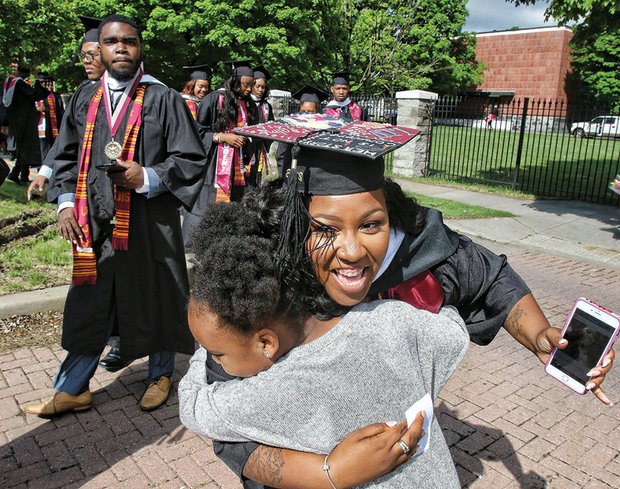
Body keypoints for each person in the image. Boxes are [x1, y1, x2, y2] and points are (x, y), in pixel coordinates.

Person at [204, 130, 615, 487]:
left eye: (371, 225)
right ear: (294, 225)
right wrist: (330, 473)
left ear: (390, 220)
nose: (351, 251)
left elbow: (489, 277)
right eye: (324, 229)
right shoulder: (261, 282)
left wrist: (539, 335)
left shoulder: (417, 257)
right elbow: (228, 423)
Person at [179, 201, 466, 488]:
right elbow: (453, 332)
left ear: (266, 343)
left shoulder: (271, 392)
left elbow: (192, 405)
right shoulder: (390, 319)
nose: (215, 363)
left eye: (217, 354)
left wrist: (199, 357)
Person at [22, 14, 206, 417]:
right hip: (94, 218)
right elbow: (65, 155)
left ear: (140, 48)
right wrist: (66, 202)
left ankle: (160, 375)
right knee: (90, 300)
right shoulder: (85, 99)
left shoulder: (164, 99)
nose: (121, 47)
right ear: (100, 50)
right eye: (112, 42)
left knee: (155, 292)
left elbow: (191, 158)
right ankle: (72, 388)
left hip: (148, 220)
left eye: (130, 41)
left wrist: (150, 175)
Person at [27, 15, 105, 201]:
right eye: (83, 56)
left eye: (93, 55)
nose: (86, 61)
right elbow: (67, 136)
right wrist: (45, 172)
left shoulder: (131, 93)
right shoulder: (84, 90)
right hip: (82, 182)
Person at [182, 60, 257, 249]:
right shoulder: (214, 99)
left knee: (238, 201)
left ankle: (229, 245)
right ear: (234, 81)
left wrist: (246, 139)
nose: (249, 89)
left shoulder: (248, 105)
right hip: (215, 162)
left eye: (251, 84)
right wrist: (223, 137)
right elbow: (197, 131)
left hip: (239, 164)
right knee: (207, 201)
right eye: (245, 84)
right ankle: (194, 246)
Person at [3, 64, 49, 184]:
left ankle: (15, 173)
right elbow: (36, 95)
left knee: (22, 148)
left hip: (15, 120)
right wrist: (37, 80)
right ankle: (23, 177)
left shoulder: (8, 82)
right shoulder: (19, 83)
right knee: (25, 148)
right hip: (24, 120)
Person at [275, 84, 328, 176]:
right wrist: (283, 175)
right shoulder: (290, 126)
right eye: (303, 111)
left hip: (315, 175)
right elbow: (280, 155)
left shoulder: (322, 128)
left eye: (310, 112)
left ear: (317, 111)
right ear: (299, 108)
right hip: (293, 172)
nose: (306, 115)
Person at [250, 65, 273, 183]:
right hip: (246, 146)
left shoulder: (266, 106)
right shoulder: (245, 103)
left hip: (259, 146)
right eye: (257, 86)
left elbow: (271, 125)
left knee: (257, 176)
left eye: (263, 87)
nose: (260, 90)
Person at [35, 73, 64, 161]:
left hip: (54, 128)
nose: (49, 85)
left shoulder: (56, 96)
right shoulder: (35, 94)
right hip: (41, 127)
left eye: (50, 83)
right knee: (43, 150)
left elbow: (61, 112)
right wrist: (37, 109)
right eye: (47, 83)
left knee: (53, 150)